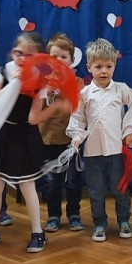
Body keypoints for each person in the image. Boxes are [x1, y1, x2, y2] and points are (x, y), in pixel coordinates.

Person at [0, 33, 66, 253]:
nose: (22, 58)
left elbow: (33, 118)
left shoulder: (40, 81)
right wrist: (16, 82)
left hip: (24, 136)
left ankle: (38, 233)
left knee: (27, 185)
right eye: (18, 53)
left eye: (29, 55)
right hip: (2, 133)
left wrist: (55, 106)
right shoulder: (3, 71)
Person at [68, 39, 132, 243]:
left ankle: (124, 221)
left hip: (116, 151)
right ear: (89, 67)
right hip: (93, 152)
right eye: (98, 66)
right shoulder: (84, 94)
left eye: (108, 66)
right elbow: (77, 118)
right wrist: (76, 137)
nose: (104, 71)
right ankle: (99, 223)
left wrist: (129, 130)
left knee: (120, 189)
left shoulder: (121, 89)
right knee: (96, 191)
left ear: (114, 66)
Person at [40, 34, 84, 232]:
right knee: (52, 181)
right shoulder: (42, 84)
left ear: (72, 60)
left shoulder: (79, 83)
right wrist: (45, 93)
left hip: (73, 140)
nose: (58, 61)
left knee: (74, 180)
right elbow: (34, 109)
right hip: (48, 139)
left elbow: (81, 109)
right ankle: (53, 215)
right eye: (54, 57)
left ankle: (74, 214)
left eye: (63, 57)